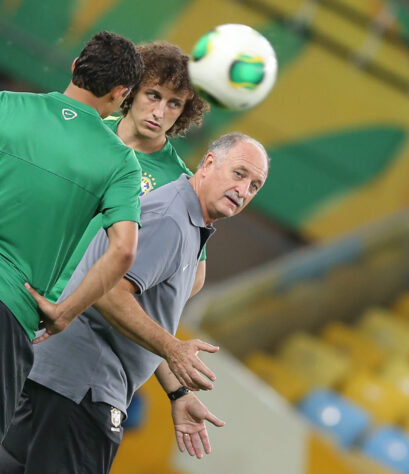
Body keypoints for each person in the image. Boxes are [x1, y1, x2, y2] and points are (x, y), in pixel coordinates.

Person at [0, 132, 270, 474]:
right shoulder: (171, 220)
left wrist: (178, 392)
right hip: (83, 391)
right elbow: (108, 293)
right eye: (239, 174)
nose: (244, 190)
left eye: (255, 185)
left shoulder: (184, 220)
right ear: (210, 163)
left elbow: (140, 321)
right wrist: (173, 347)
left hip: (59, 383)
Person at [0, 31, 144, 438]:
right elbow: (124, 251)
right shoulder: (120, 163)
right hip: (10, 313)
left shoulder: (5, 106)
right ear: (120, 94)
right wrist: (65, 312)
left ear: (75, 66)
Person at [48, 40, 210, 307]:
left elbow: (193, 277)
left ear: (184, 112)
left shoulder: (182, 185)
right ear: (132, 90)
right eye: (154, 95)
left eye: (174, 103)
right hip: (24, 283)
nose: (159, 112)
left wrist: (116, 299)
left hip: (78, 313)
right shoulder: (87, 127)